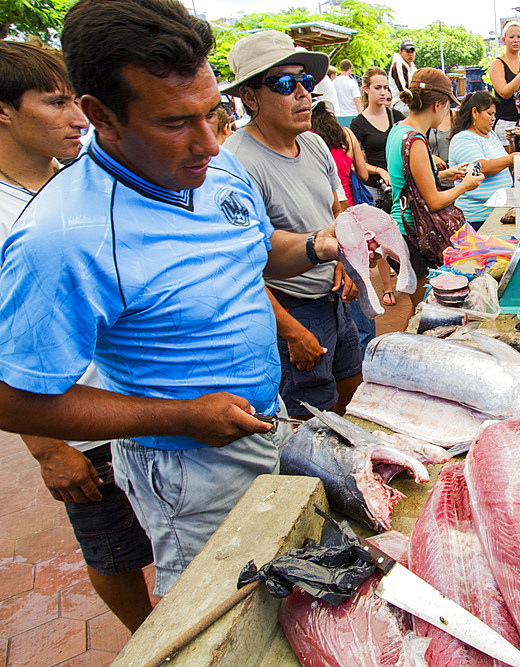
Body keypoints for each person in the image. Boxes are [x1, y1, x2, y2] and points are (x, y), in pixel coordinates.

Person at [0, 0, 355, 597]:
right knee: (216, 615)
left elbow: (257, 253)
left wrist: (321, 245)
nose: (209, 145)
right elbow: (14, 400)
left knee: (280, 592)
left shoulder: (217, 176)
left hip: (264, 424)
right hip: (186, 468)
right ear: (101, 117)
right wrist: (181, 416)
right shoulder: (63, 238)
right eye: (174, 124)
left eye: (212, 115)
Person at [0, 39, 154, 633]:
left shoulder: (80, 179)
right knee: (112, 546)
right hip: (74, 416)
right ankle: (147, 640)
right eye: (54, 103)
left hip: (141, 396)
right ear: (4, 111)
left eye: (76, 102)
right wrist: (48, 448)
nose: (76, 117)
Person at [223, 30, 364, 420]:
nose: (303, 93)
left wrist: (343, 263)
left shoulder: (315, 143)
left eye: (306, 81)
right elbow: (241, 267)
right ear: (249, 97)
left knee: (353, 397)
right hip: (290, 309)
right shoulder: (236, 163)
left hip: (334, 298)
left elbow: (338, 213)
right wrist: (290, 331)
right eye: (285, 84)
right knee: (310, 422)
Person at [386, 68, 483, 315]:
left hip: (401, 230)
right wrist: (464, 186)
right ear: (437, 105)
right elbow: (432, 201)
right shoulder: (416, 141)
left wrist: (444, 175)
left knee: (419, 308)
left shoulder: (398, 130)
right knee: (424, 312)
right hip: (413, 235)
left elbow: (409, 182)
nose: (448, 113)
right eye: (448, 106)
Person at [311, 100, 397, 315]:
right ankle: (384, 292)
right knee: (368, 253)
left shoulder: (308, 140)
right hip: (352, 208)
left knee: (337, 264)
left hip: (326, 213)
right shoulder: (346, 135)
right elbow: (363, 174)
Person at [448, 90, 516, 230]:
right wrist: (511, 159)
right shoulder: (463, 139)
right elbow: (482, 167)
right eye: (489, 114)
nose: (493, 119)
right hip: (477, 219)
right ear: (475, 112)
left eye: (494, 115)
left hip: (499, 213)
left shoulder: (491, 135)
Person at [351, 66, 406, 210]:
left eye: (386, 88)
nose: (383, 92)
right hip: (375, 188)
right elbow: (355, 162)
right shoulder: (358, 123)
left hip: (400, 186)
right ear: (366, 89)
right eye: (377, 88)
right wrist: (379, 170)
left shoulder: (397, 116)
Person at [488, 20, 520, 148]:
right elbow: (504, 92)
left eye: (519, 37)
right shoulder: (498, 63)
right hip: (505, 120)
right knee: (508, 162)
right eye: (511, 37)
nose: (516, 40)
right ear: (504, 40)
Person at [389, 39, 417, 116]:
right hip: (401, 104)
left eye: (412, 52)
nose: (410, 54)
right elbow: (404, 91)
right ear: (400, 52)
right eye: (408, 52)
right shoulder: (398, 65)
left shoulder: (412, 65)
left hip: (409, 103)